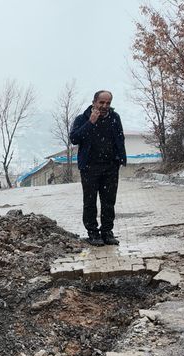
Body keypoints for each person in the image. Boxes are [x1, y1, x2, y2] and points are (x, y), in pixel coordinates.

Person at [70, 90, 127, 246]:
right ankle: (93, 233)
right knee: (90, 202)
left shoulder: (115, 118)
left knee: (109, 201)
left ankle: (107, 232)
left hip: (110, 167)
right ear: (94, 102)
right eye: (101, 102)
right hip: (89, 167)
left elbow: (120, 138)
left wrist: (120, 159)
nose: (104, 106)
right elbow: (74, 139)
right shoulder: (82, 119)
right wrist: (90, 123)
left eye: (108, 103)